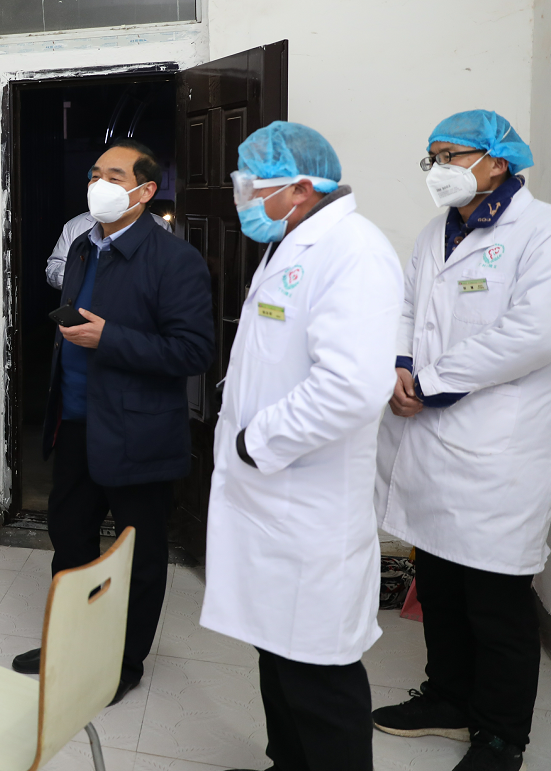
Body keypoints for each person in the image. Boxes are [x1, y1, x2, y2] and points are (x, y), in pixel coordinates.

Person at [198, 121, 402, 771]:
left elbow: (352, 387)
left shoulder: (353, 250)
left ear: (302, 188)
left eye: (254, 185)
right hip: (272, 504)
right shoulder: (292, 245)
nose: (242, 196)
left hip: (306, 509)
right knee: (278, 660)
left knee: (318, 677)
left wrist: (256, 443)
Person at [373, 111, 551, 771]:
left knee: (497, 604)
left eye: (451, 155)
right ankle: (448, 698)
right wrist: (399, 366)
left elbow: (533, 334)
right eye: (434, 158)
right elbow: (407, 308)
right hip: (429, 440)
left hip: (497, 448)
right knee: (441, 585)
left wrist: (432, 381)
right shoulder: (436, 231)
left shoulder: (540, 231)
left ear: (497, 162)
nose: (439, 169)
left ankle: (501, 737)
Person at [9, 139, 213, 706]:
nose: (99, 184)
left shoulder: (174, 259)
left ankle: (124, 661)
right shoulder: (82, 248)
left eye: (115, 176)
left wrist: (111, 338)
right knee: (69, 538)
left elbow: (194, 351)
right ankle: (69, 642)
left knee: (137, 554)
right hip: (76, 422)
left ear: (145, 191)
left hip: (138, 431)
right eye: (95, 173)